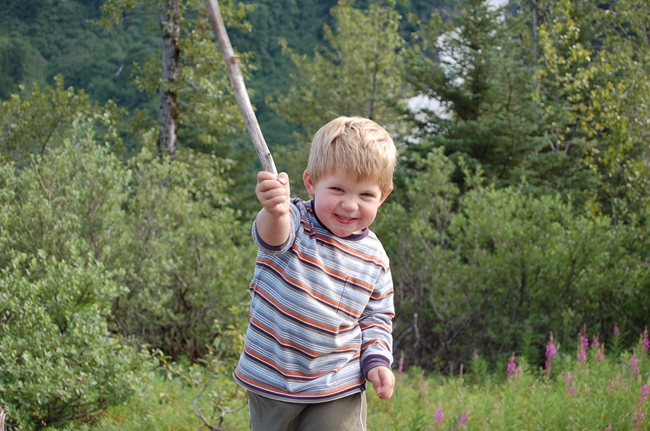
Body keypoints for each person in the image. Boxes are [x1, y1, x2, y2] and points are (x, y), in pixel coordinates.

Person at [234, 116, 397, 431]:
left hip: (337, 385)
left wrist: (377, 361)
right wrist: (274, 210)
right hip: (271, 380)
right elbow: (272, 239)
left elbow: (376, 318)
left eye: (365, 195)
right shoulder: (294, 220)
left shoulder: (375, 257)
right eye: (337, 189)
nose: (350, 205)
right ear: (311, 183)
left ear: (383, 196)